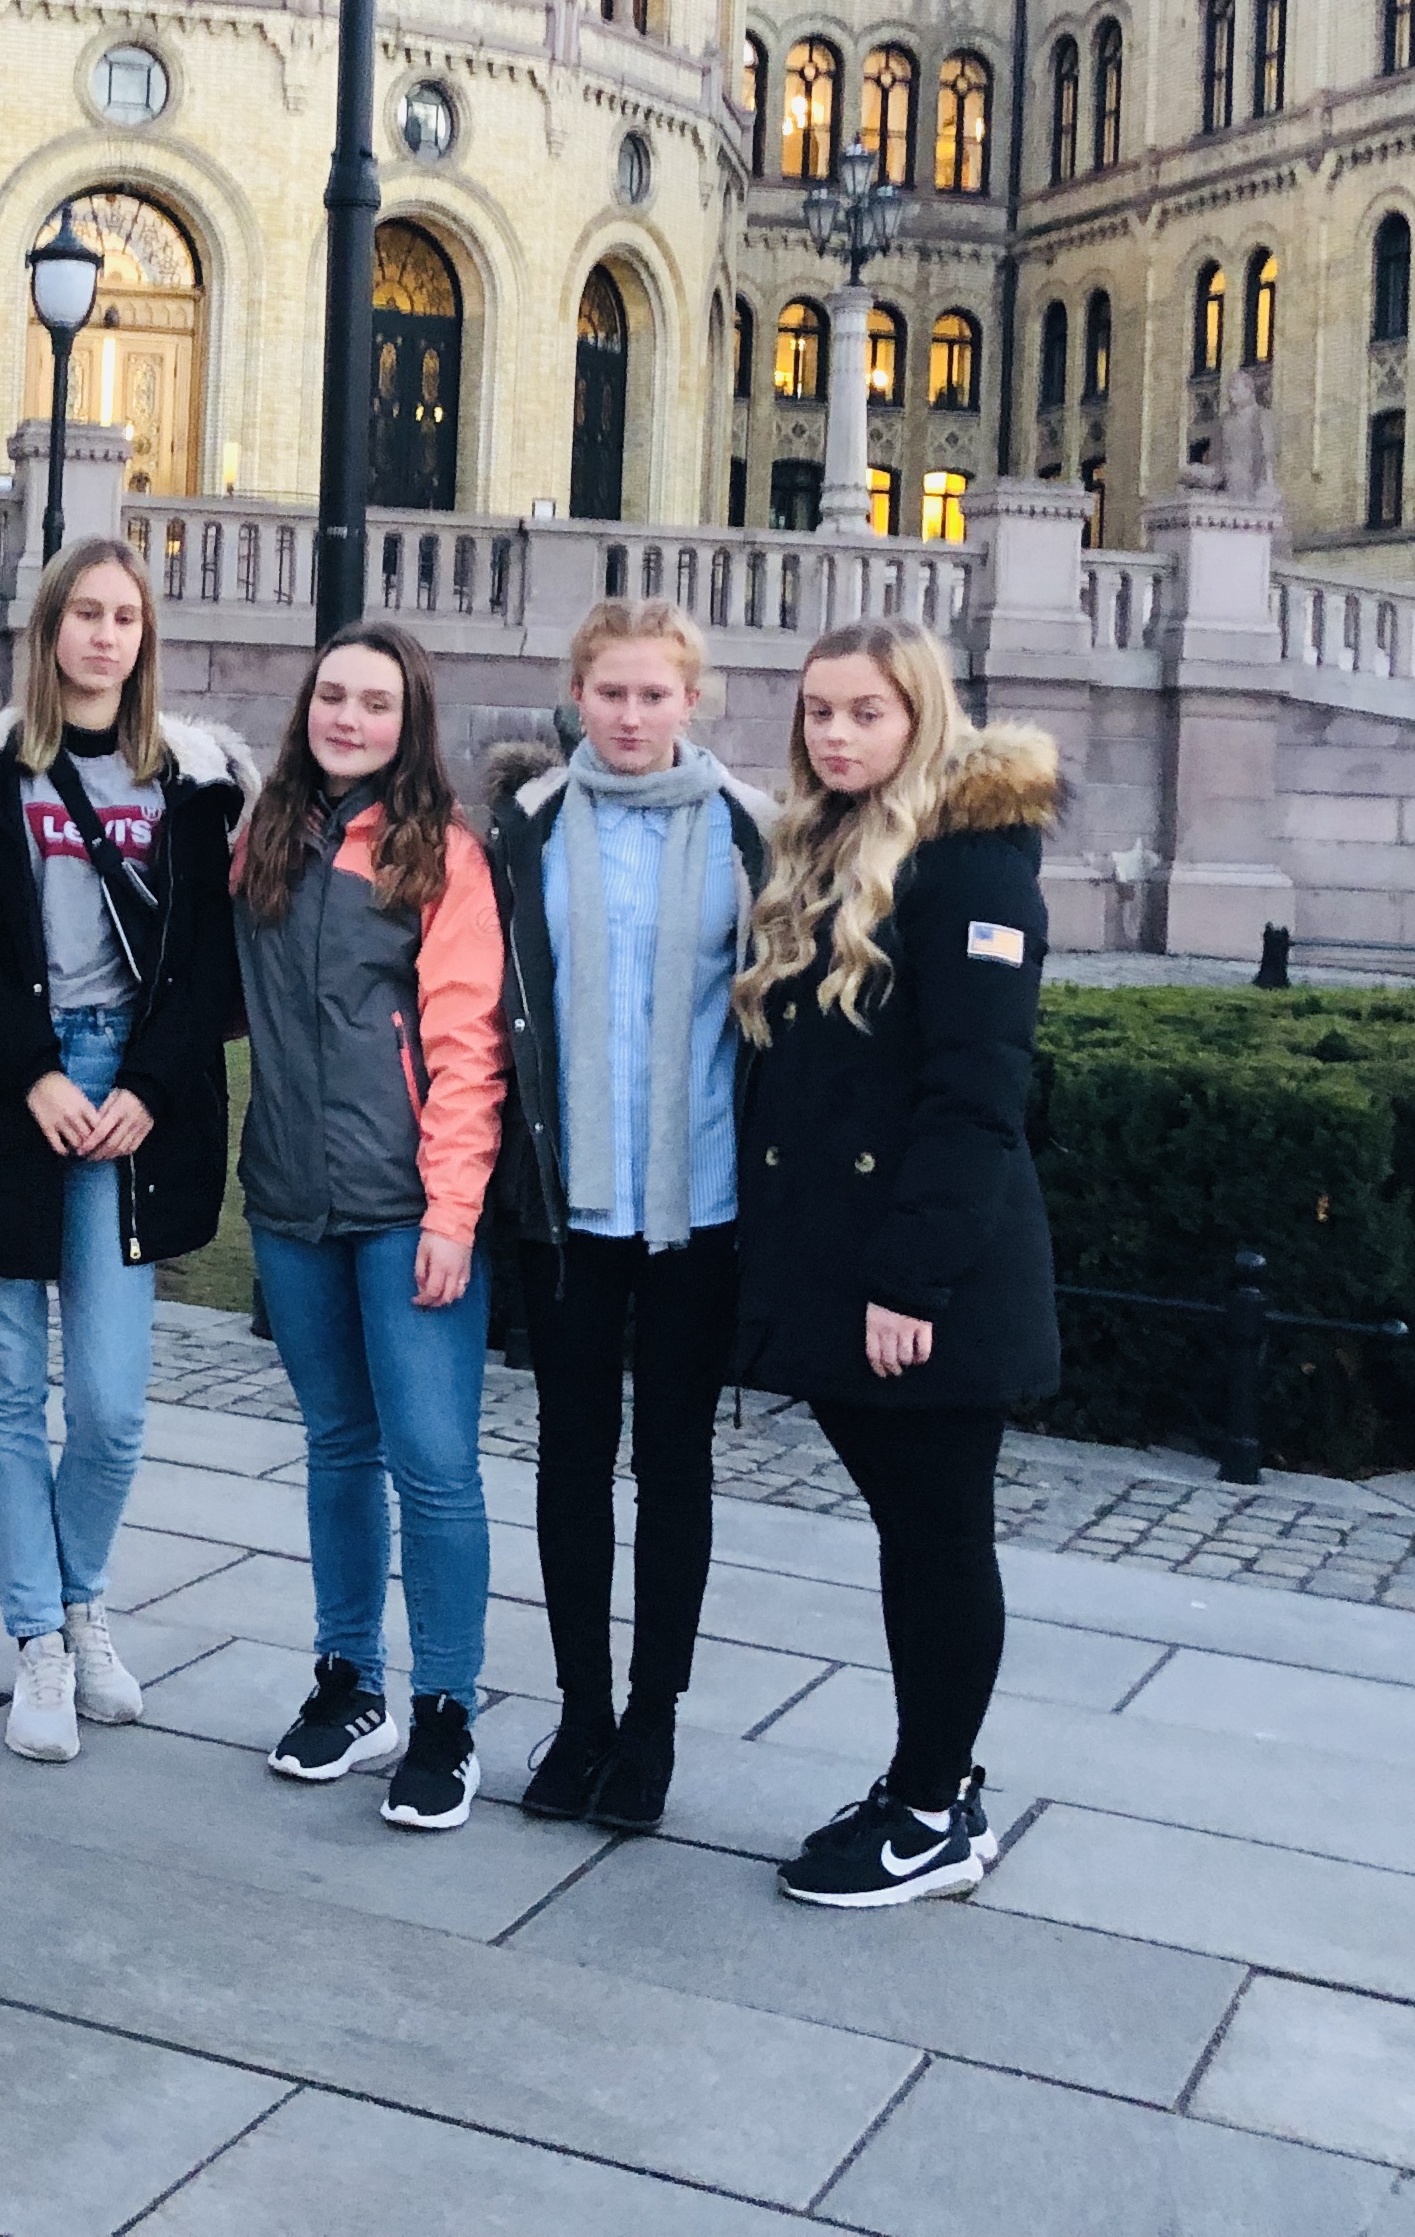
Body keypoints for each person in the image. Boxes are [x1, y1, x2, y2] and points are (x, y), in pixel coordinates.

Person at [732, 617, 1061, 1905]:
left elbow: (977, 1094)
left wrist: (910, 1285)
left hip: (933, 1281)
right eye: (819, 711)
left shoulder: (975, 866)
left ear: (920, 716)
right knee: (910, 1534)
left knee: (935, 1537)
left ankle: (934, 1810)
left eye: (866, 712)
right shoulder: (824, 849)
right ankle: (935, 1778)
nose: (835, 733)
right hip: (852, 1265)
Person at [0, 538, 249, 1761]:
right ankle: (39, 1641)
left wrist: (148, 1089)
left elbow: (208, 960)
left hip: (132, 1095)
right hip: (17, 1091)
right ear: (50, 627)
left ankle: (81, 1593)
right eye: (86, 614)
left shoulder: (192, 784)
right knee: (6, 1390)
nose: (106, 635)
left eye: (125, 617)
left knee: (108, 1406)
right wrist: (36, 1073)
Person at [485, 598, 769, 1835]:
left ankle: (652, 1721)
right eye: (612, 693)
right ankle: (583, 1710)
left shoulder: (753, 828)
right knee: (568, 1457)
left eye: (656, 694)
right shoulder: (531, 828)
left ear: (691, 700)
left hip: (698, 1197)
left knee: (675, 1465)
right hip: (570, 1199)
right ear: (578, 697)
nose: (634, 714)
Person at [233, 622, 506, 1832]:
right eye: (332, 696)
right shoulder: (267, 842)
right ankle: (351, 1683)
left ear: (410, 725)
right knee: (338, 1446)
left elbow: (465, 1049)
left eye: (376, 703)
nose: (349, 717)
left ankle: (445, 1708)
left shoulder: (438, 858)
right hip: (292, 1199)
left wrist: (454, 1213)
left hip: (406, 1210)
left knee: (435, 1467)